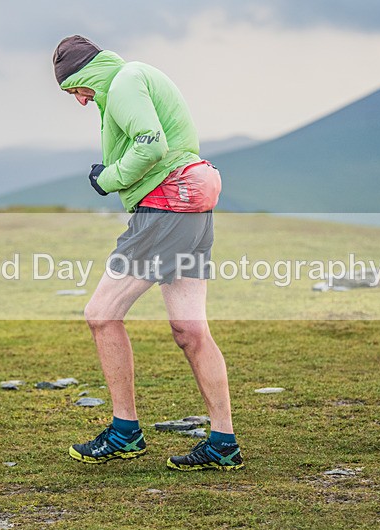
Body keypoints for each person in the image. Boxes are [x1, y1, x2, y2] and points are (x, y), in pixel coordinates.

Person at [53, 35, 243, 471]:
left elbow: (151, 145)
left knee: (101, 314)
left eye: (76, 89)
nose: (80, 100)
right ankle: (223, 442)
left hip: (166, 205)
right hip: (192, 205)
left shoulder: (122, 83)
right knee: (190, 330)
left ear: (87, 74)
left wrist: (108, 178)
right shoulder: (137, 76)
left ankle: (125, 432)